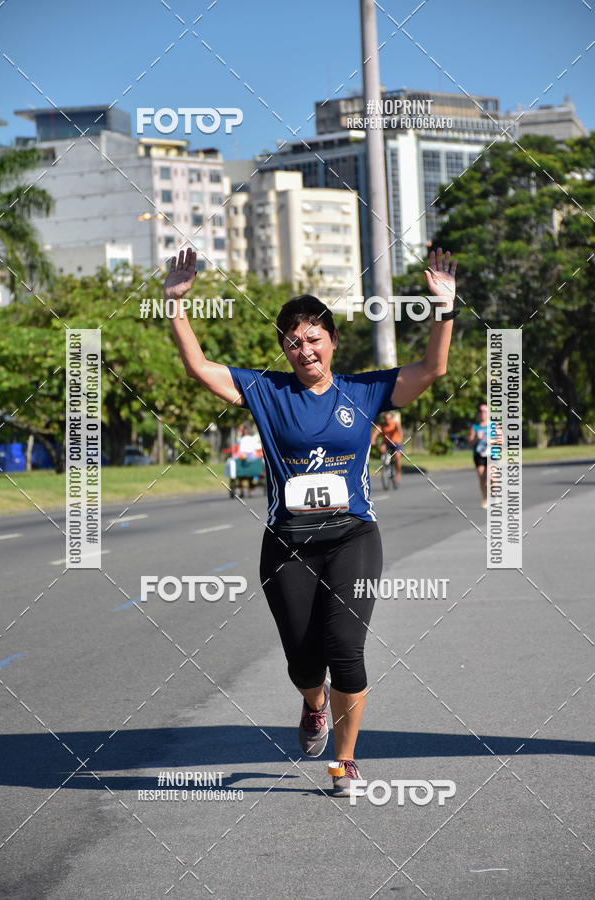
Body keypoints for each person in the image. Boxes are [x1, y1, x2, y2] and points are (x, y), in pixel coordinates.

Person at [165, 246, 458, 796]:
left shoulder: (365, 390)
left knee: (346, 649)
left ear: (332, 340)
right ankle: (314, 702)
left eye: (313, 339)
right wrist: (175, 304)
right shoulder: (267, 391)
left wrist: (444, 308)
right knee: (304, 662)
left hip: (353, 537)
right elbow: (200, 368)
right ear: (284, 350)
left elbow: (431, 369)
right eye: (293, 343)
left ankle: (345, 762)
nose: (304, 351)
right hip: (288, 544)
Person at [371, 410, 403, 486]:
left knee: (397, 457)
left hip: (396, 443)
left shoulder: (396, 423)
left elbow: (400, 431)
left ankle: (398, 474)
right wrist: (373, 440)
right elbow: (375, 433)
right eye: (386, 419)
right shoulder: (382, 425)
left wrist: (400, 439)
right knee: (382, 448)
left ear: (392, 418)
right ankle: (386, 462)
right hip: (387, 443)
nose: (387, 420)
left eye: (389, 419)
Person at [468, 402, 489, 508]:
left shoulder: (494, 426)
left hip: (492, 454)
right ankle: (485, 498)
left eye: (485, 411)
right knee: (482, 478)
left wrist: (492, 440)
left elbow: (502, 440)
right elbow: (470, 443)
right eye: (481, 411)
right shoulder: (475, 427)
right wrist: (476, 438)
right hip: (479, 454)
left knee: (493, 478)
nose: (483, 414)